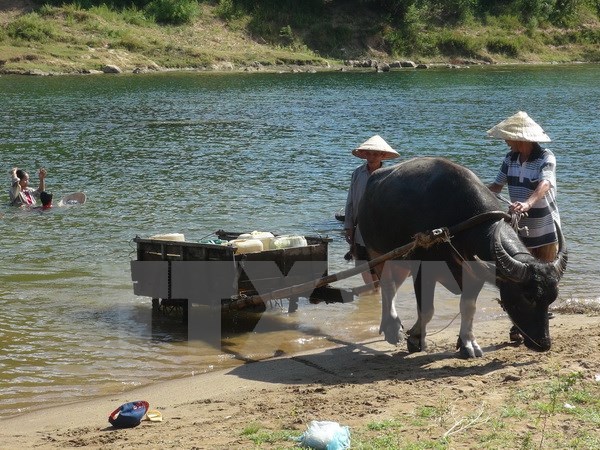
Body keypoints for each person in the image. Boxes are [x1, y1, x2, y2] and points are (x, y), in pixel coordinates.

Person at [487, 111, 560, 263]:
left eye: (508, 138)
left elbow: (545, 183)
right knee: (521, 281)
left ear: (519, 139)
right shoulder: (510, 158)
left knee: (545, 278)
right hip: (520, 231)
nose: (506, 141)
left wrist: (527, 204)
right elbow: (496, 187)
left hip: (545, 232)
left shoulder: (545, 157)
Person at [344, 135, 400, 287]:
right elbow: (350, 201)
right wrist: (348, 226)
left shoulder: (390, 175)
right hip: (360, 227)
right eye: (369, 153)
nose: (372, 157)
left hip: (381, 229)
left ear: (382, 156)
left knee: (381, 264)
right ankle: (372, 298)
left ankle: (377, 293)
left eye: (376, 154)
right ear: (364, 154)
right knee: (362, 262)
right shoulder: (357, 173)